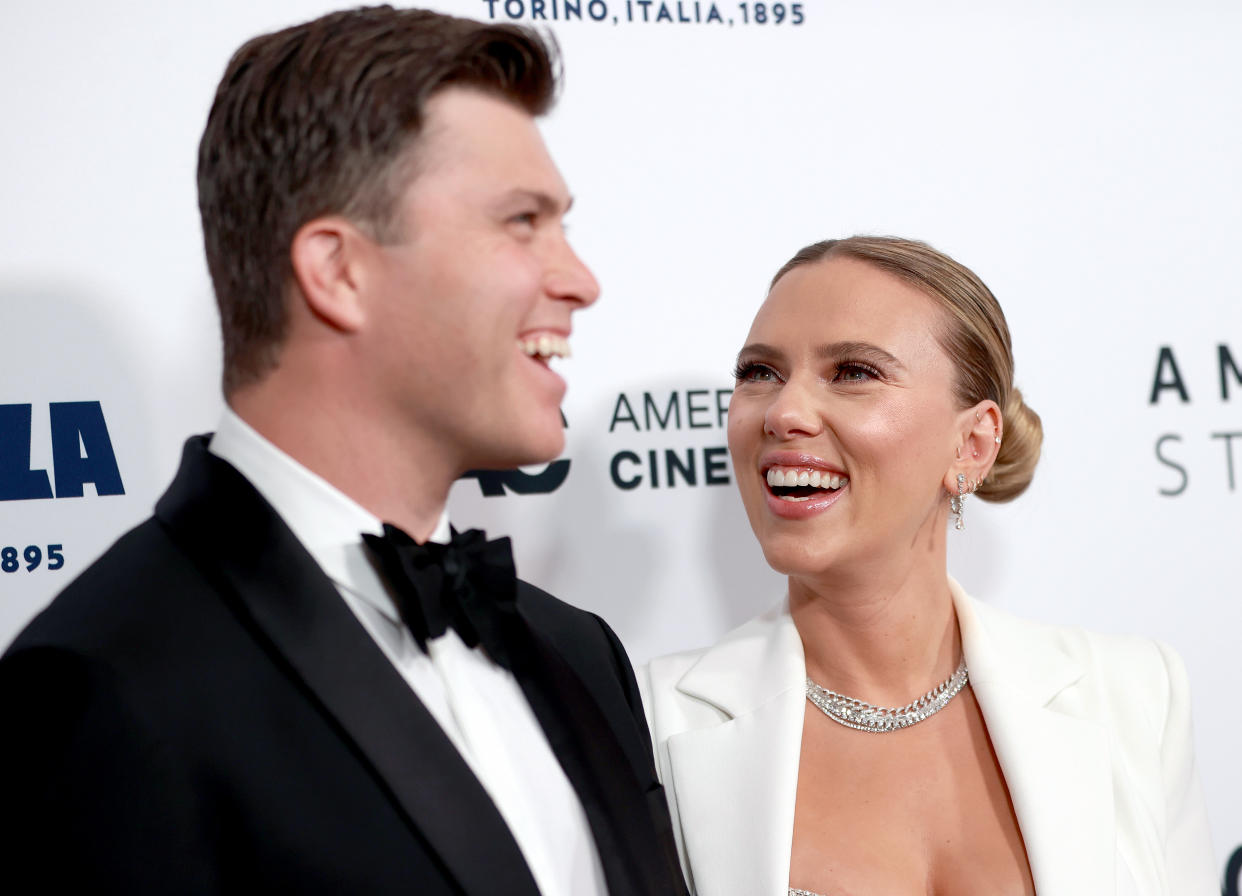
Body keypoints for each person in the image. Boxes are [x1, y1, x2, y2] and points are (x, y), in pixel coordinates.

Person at [0, 7, 685, 895]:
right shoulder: (106, 690)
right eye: (523, 221)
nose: (581, 280)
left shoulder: (579, 653)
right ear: (338, 271)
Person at [640, 236, 1217, 895]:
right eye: (759, 373)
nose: (784, 412)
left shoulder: (1133, 695)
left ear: (972, 445)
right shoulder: (651, 723)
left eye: (853, 372)